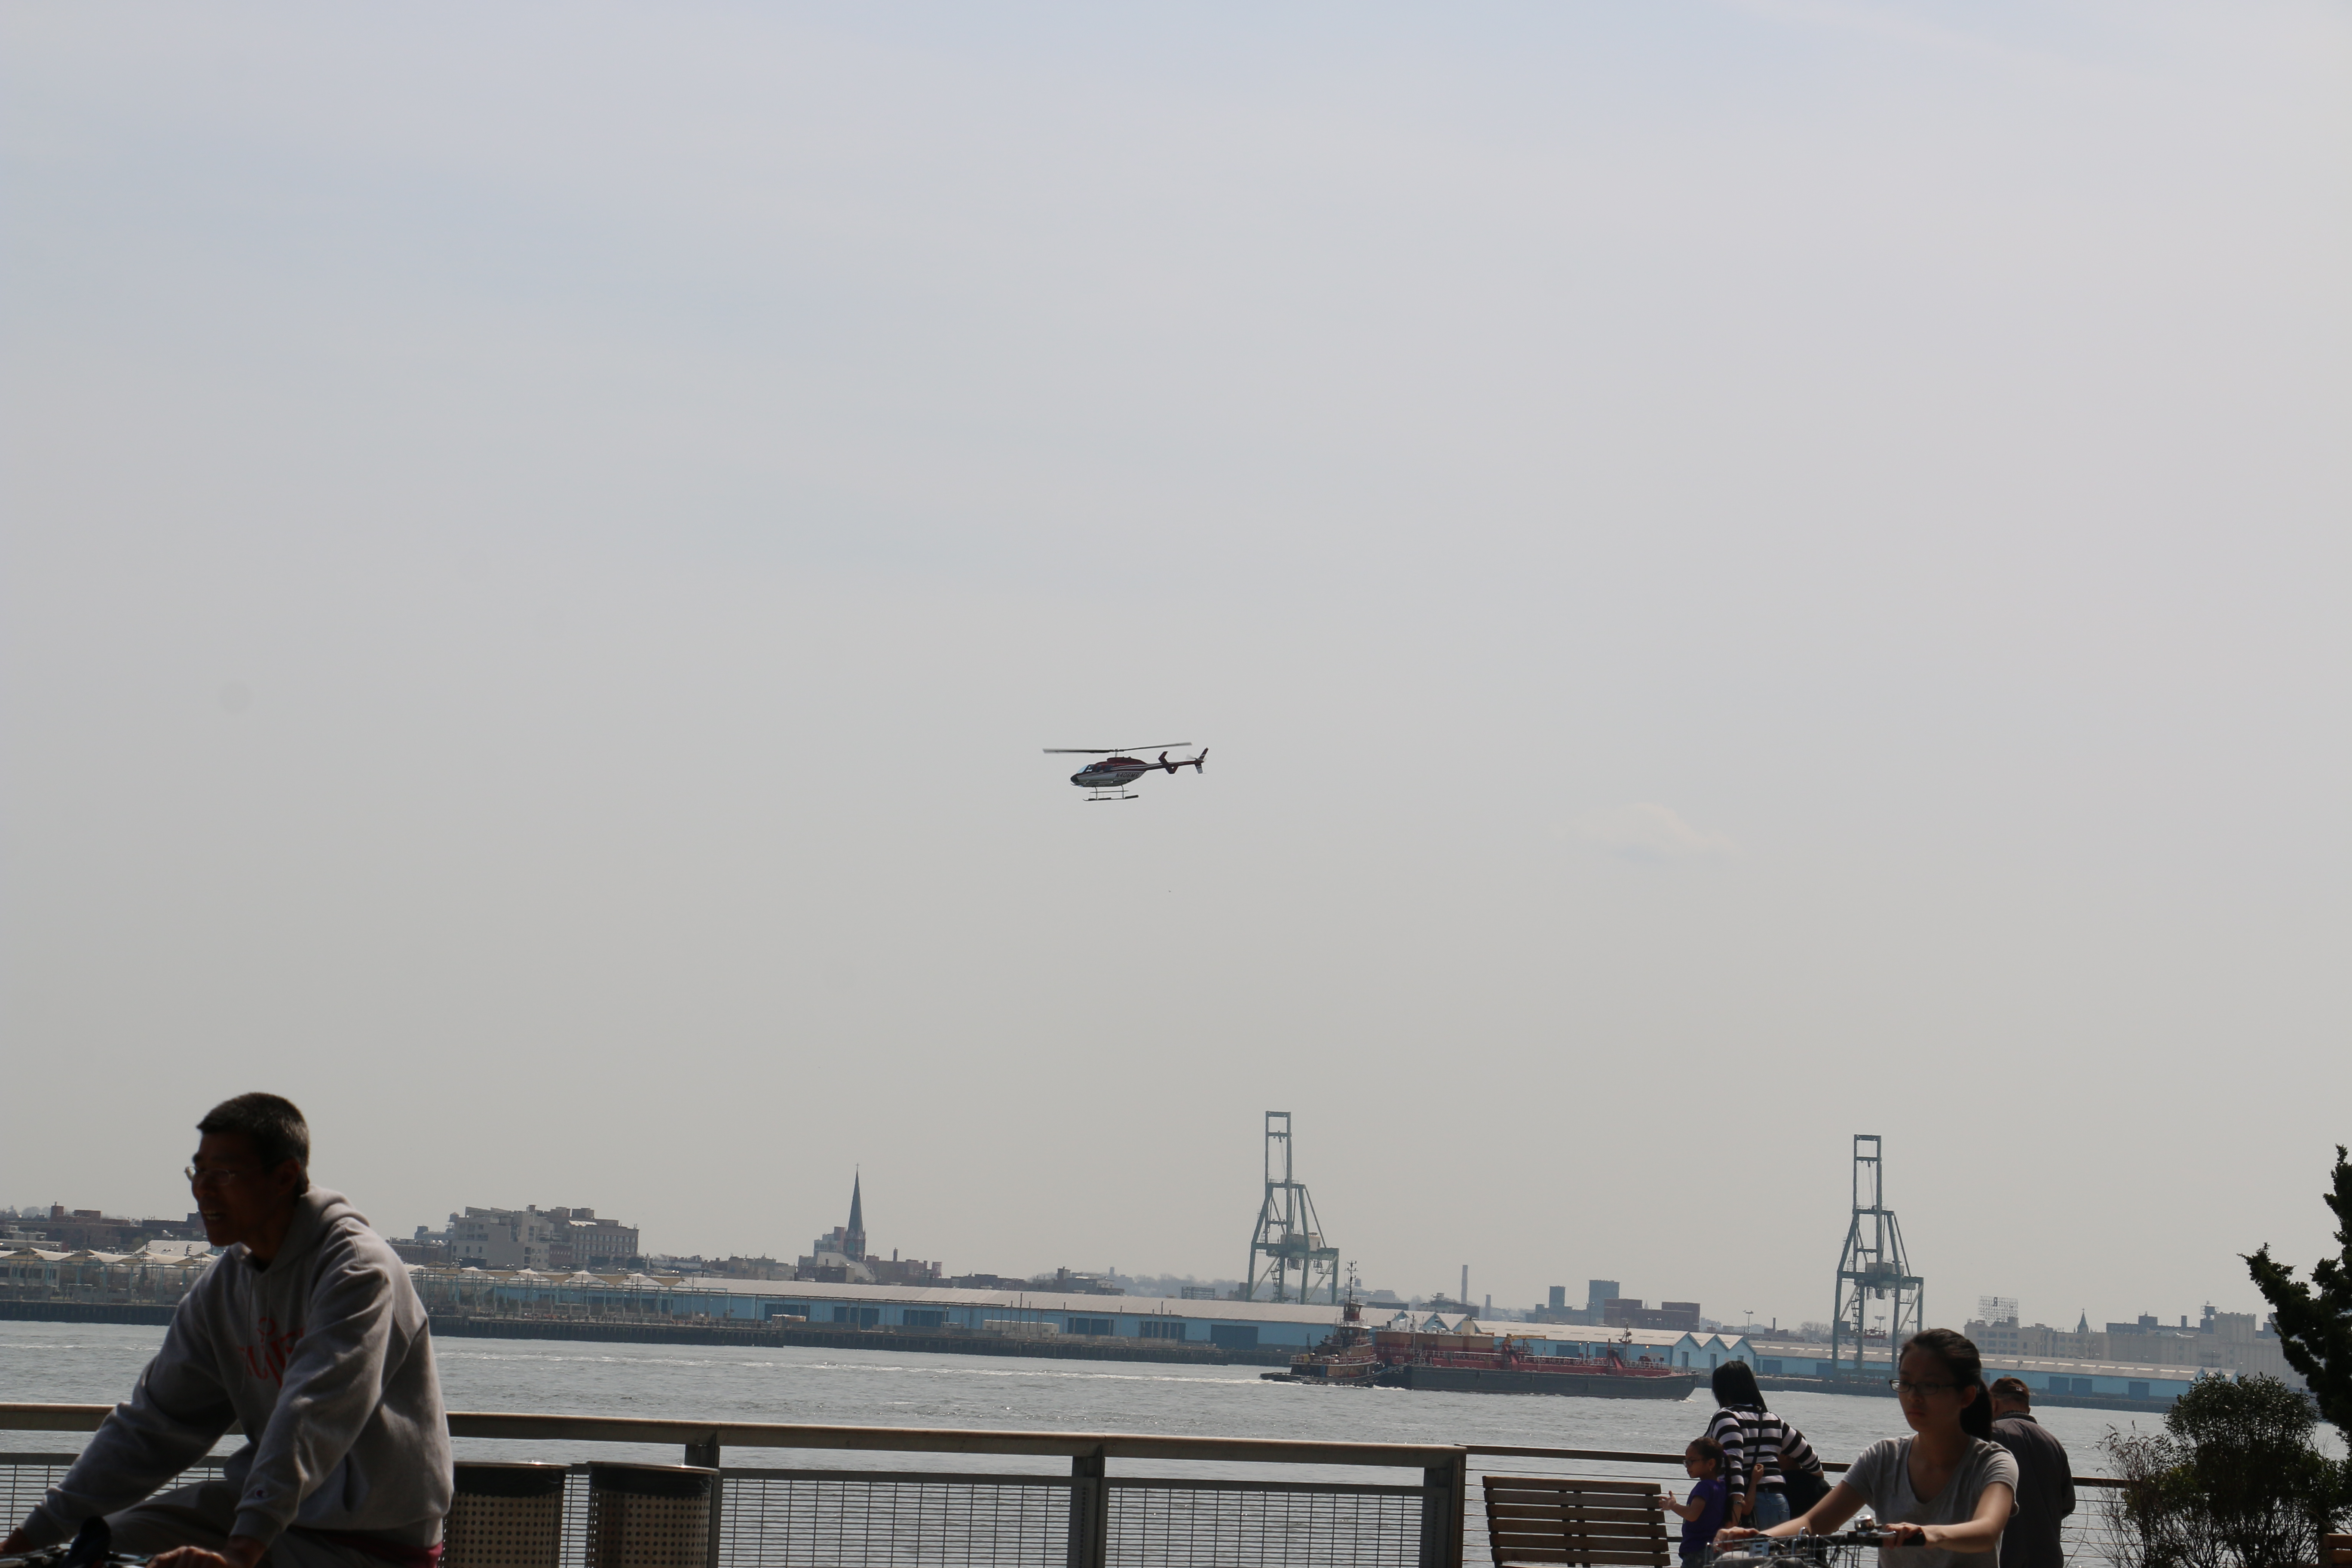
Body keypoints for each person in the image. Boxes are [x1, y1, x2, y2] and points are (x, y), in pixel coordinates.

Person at [0, 1094, 453, 1568]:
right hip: (265, 1515)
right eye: (198, 1172)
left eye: (224, 1173)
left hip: (371, 1539)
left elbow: (312, 1414)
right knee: (95, 1548)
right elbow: (152, 1425)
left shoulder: (358, 1271)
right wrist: (28, 1539)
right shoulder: (224, 1286)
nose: (203, 1189)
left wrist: (240, 1553)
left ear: (285, 1177)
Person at [1718, 1328, 2018, 1568]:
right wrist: (1756, 1538)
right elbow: (1814, 1522)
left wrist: (1928, 1534)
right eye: (1905, 1383)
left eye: (1930, 1386)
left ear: (1966, 1396)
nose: (1913, 1397)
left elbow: (1987, 1530)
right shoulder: (1884, 1457)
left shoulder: (1992, 1463)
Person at [1700, 1361, 1820, 1529]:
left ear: (1721, 1390)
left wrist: (1734, 1512)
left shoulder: (1726, 1417)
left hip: (1746, 1506)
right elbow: (1813, 1463)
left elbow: (1734, 1465)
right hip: (1778, 1504)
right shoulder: (1773, 1420)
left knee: (1737, 1548)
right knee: (1774, 1547)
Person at [1988, 1377, 2074, 1568]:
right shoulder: (2052, 1443)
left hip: (2001, 1556)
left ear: (1993, 1404)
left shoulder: (1990, 1436)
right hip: (2047, 1557)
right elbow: (2068, 1504)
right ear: (2028, 1409)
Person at [1662, 1438, 1732, 1566]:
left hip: (1697, 1551)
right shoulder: (1722, 1486)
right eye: (1686, 1462)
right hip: (1714, 1550)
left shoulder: (1704, 1487)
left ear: (1711, 1463)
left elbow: (1692, 1515)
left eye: (1692, 1461)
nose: (1688, 1466)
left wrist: (1673, 1505)